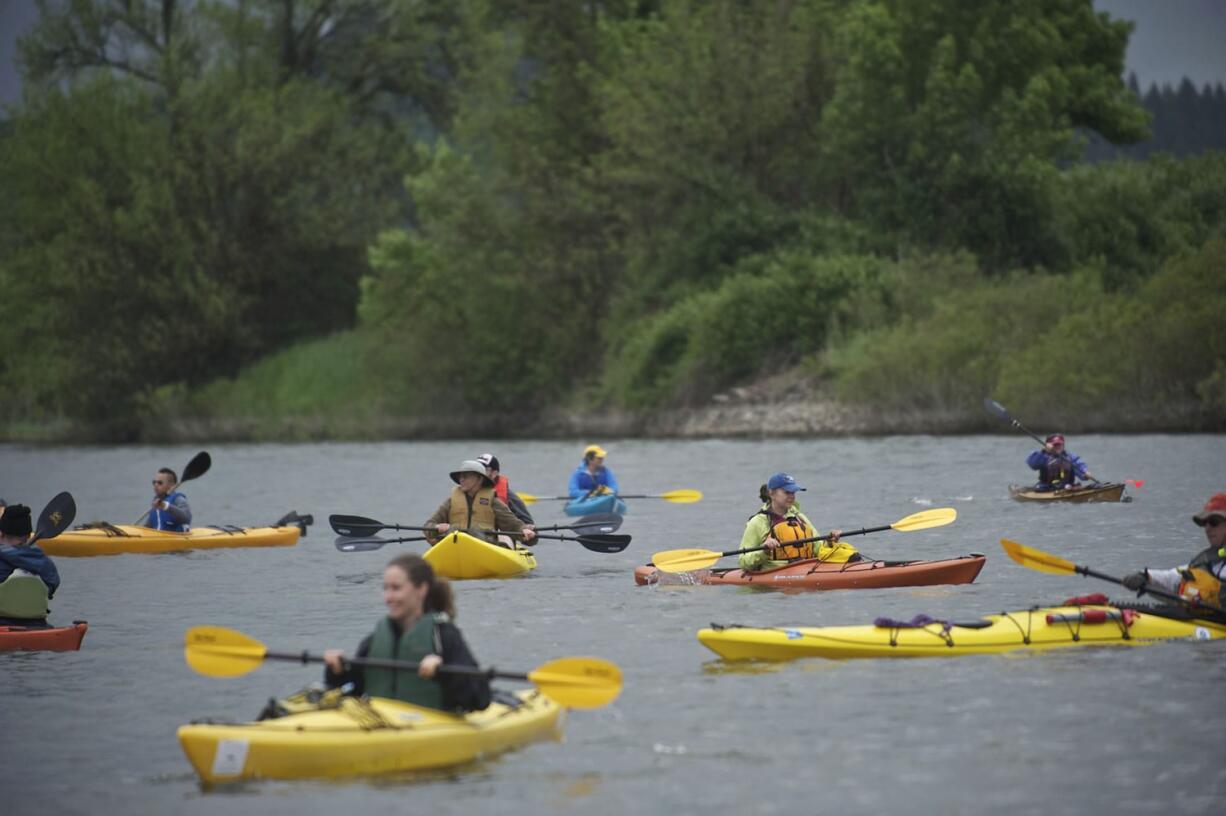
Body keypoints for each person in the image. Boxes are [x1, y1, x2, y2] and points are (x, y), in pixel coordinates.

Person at [323, 553, 491, 712]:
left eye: (396, 588)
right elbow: (354, 689)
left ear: (421, 589)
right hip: (380, 723)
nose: (388, 597)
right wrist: (337, 671)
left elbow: (480, 699)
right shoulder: (375, 639)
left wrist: (443, 673)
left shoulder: (444, 636)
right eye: (385, 588)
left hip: (431, 727)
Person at [1122, 493, 1226, 618]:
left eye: (1214, 522)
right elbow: (1174, 578)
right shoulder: (1206, 560)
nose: (1207, 528)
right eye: (1205, 523)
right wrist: (1145, 577)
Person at [738, 473, 858, 571]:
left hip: (807, 568)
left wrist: (830, 542)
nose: (792, 496)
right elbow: (743, 562)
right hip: (775, 573)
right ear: (772, 493)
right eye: (787, 492)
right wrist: (764, 550)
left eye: (793, 492)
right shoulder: (757, 522)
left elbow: (818, 549)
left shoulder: (800, 518)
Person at [425, 460, 536, 546]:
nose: (461, 479)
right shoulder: (451, 501)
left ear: (479, 479)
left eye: (466, 476)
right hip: (455, 545)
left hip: (484, 546)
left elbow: (513, 525)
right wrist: (436, 527)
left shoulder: (493, 501)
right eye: (460, 476)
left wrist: (524, 531)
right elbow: (428, 527)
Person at [0, 503, 61, 599]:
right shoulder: (43, 560)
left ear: (2, 534)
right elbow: (53, 583)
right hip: (34, 611)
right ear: (28, 535)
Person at [476, 453, 534, 525]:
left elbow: (529, 525)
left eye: (483, 469)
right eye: (477, 469)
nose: (478, 473)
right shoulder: (468, 490)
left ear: (494, 473)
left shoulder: (510, 497)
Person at [1025, 434, 1096, 490]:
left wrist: (1085, 473)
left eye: (1060, 444)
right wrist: (1044, 451)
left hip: (1067, 487)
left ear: (1063, 445)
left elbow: (1079, 466)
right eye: (1055, 445)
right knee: (1040, 488)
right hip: (1046, 487)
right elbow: (1032, 464)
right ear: (1048, 445)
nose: (1058, 447)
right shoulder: (1043, 457)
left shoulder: (1070, 457)